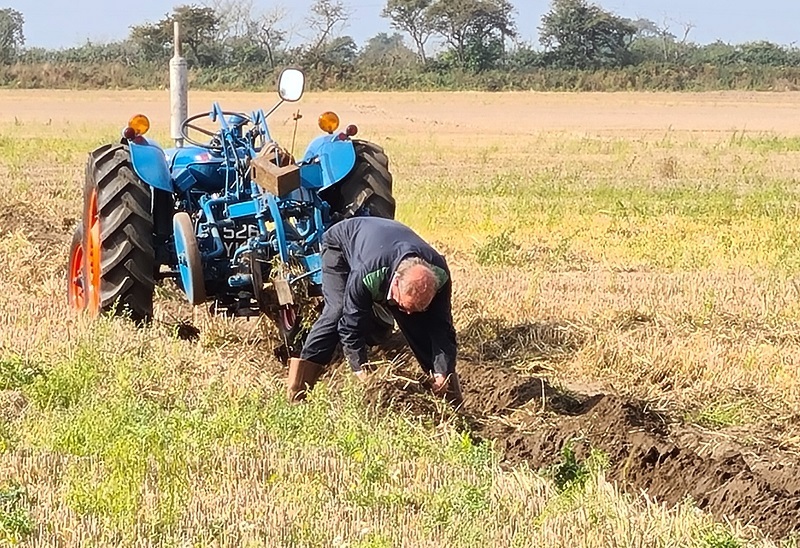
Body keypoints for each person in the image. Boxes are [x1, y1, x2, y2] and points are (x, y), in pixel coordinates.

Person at [286, 217, 462, 405]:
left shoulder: (440, 275)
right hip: (341, 246)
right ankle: (298, 390)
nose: (408, 312)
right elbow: (350, 326)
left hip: (388, 244)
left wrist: (443, 370)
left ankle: (447, 399)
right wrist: (360, 369)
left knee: (420, 324)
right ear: (395, 283)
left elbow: (442, 328)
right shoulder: (367, 273)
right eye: (403, 304)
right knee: (336, 311)